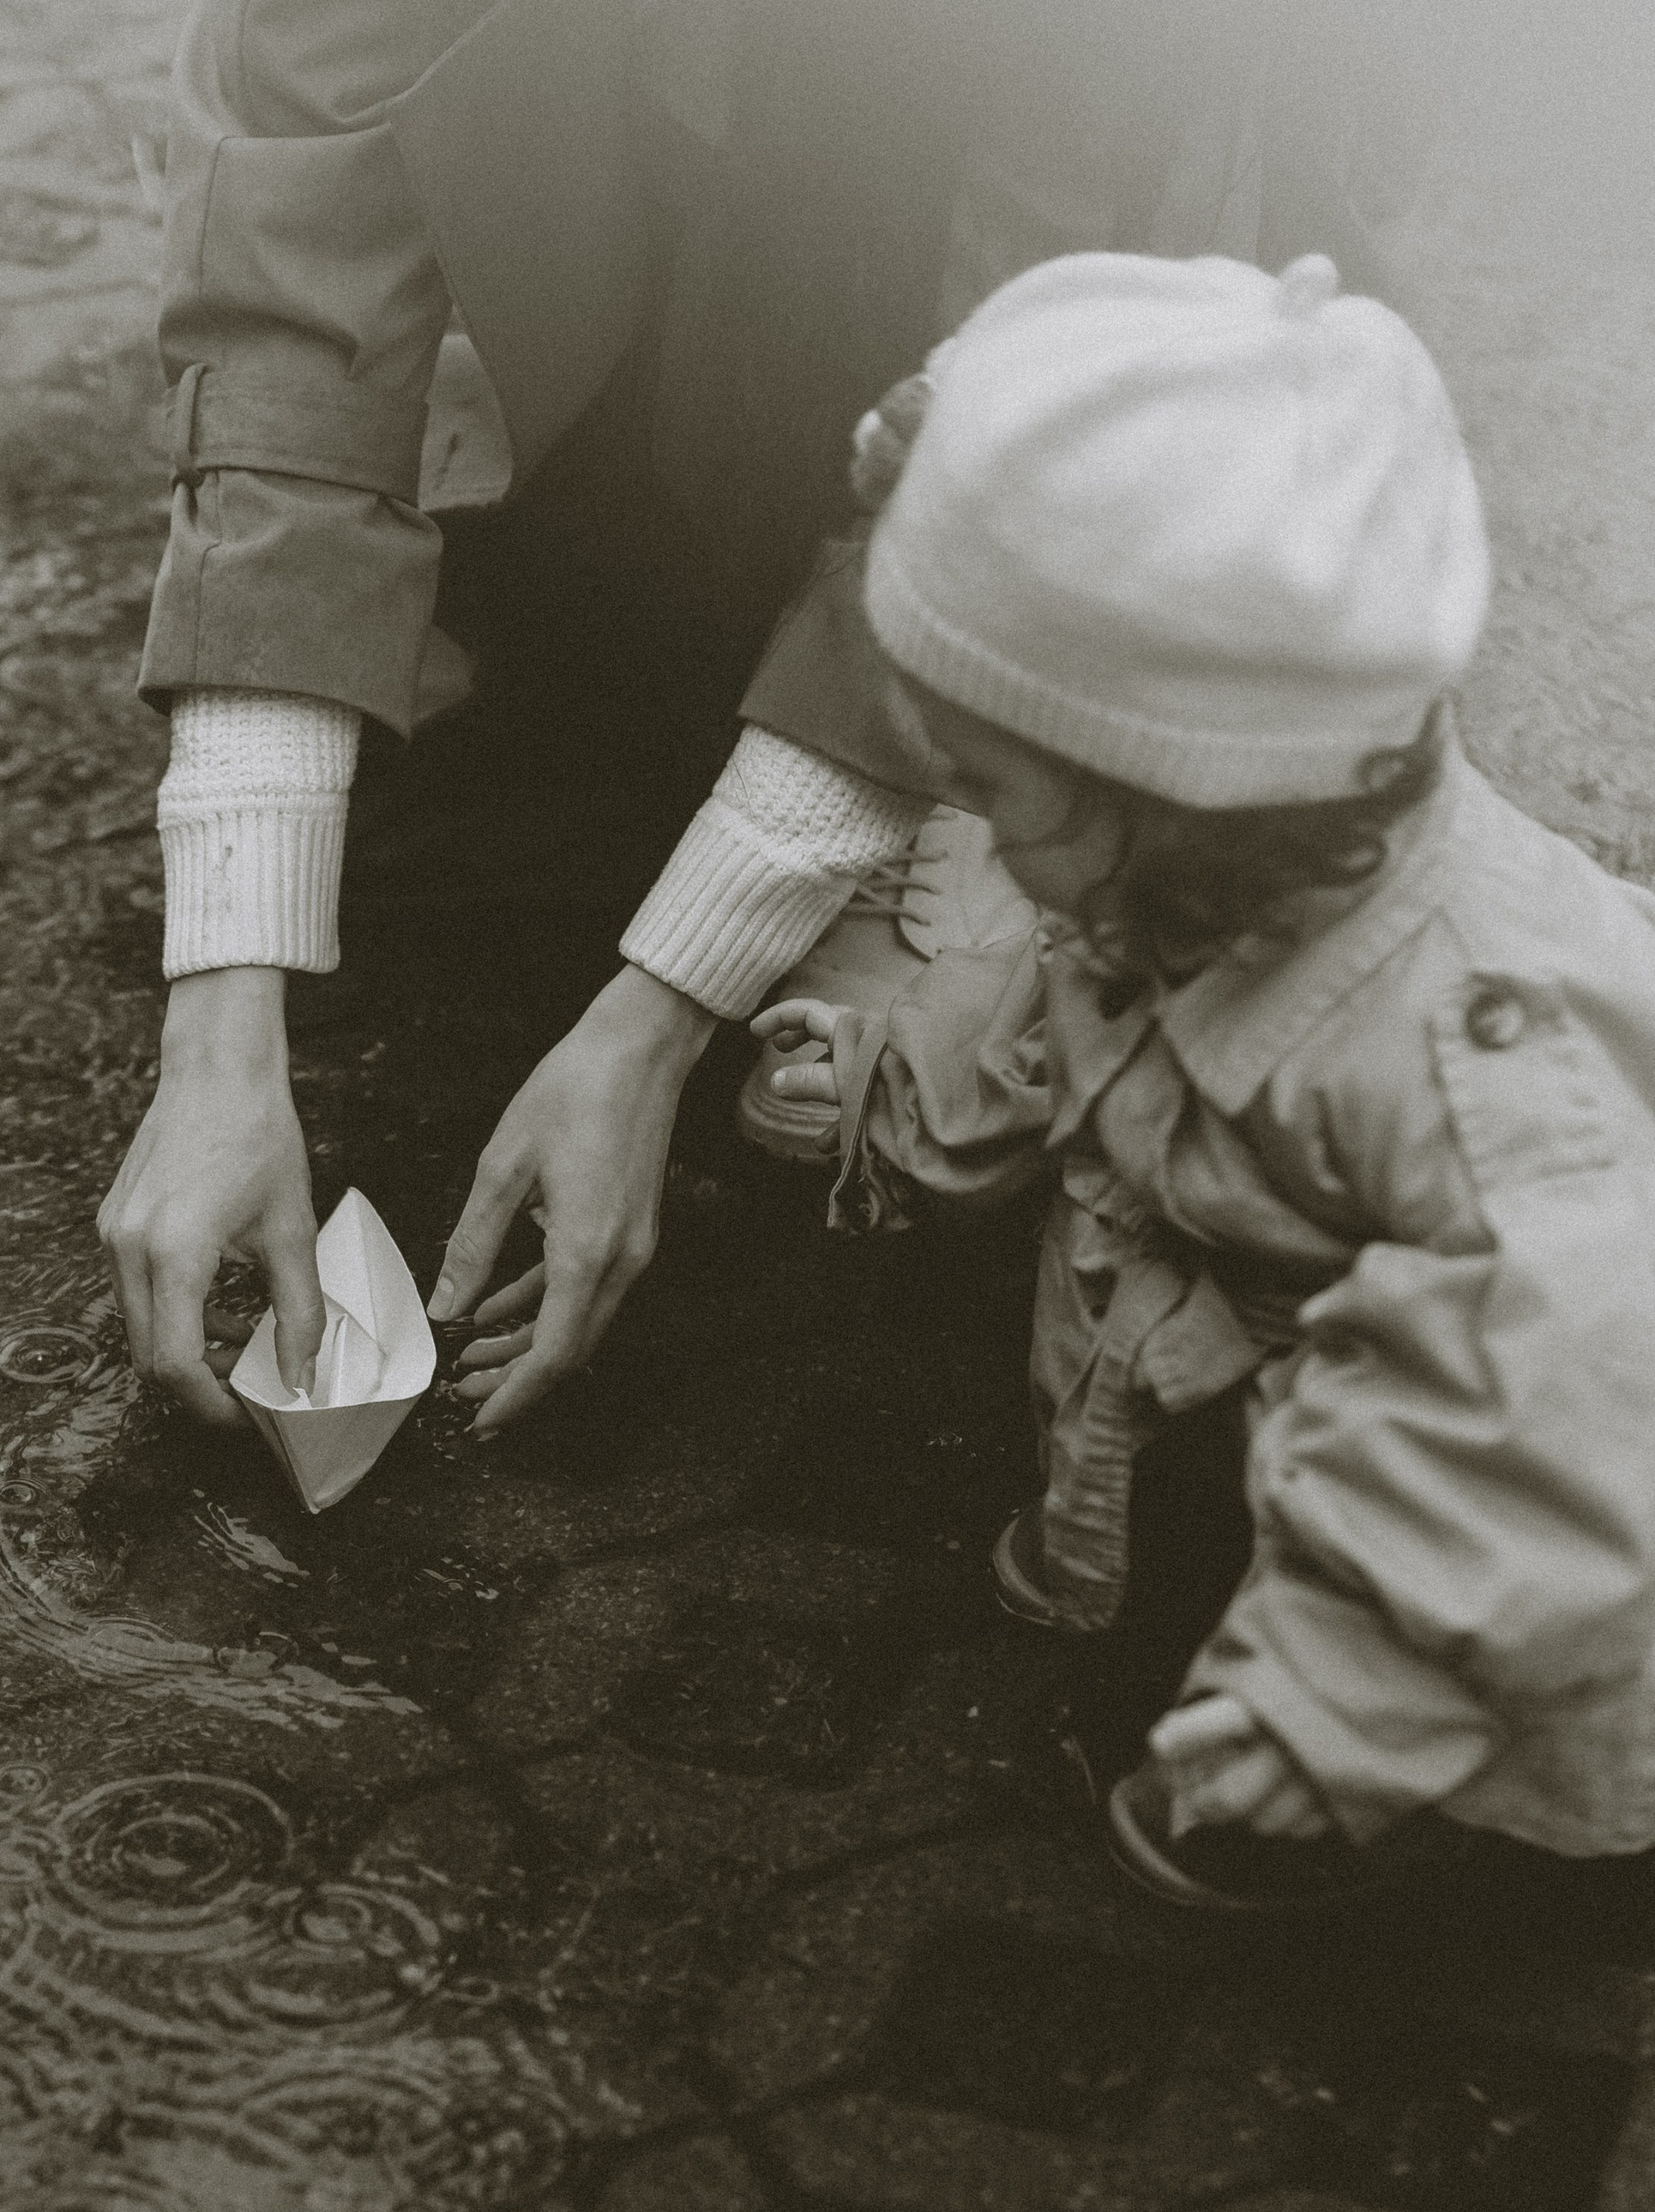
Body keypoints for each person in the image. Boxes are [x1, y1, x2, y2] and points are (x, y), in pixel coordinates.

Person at [99, 0, 1441, 1428]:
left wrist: (663, 1011)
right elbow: (293, 311)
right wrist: (223, 1010)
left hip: (1079, 318)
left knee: (922, 1045)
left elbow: (995, 437)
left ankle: (982, 757)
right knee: (427, 783)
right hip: (699, 183)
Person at [751, 248, 1655, 1911]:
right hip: (1200, 1440)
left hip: (1439, 1606)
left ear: (1164, 787)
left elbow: (1546, 1442)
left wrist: (1327, 1714)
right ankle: (1168, 1653)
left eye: (987, 789)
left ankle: (1376, 1846)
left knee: (1333, 1861)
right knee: (1160, 1622)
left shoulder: (1478, 1057)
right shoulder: (1167, 879)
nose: (971, 831)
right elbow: (1062, 1057)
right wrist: (891, 1090)